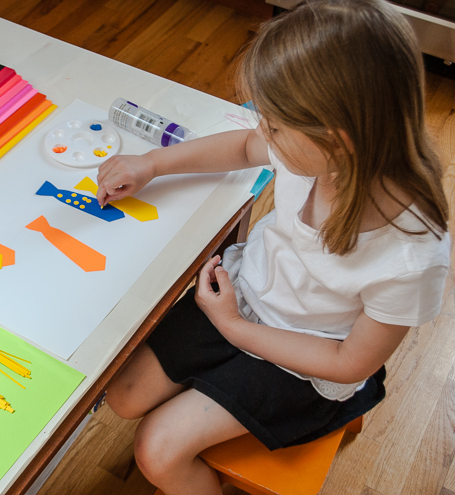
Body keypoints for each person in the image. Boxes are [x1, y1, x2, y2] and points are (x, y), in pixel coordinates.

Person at [97, 1, 451, 493]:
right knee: (123, 395)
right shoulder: (313, 153)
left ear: (338, 138)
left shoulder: (412, 254)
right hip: (245, 300)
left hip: (308, 360)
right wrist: (153, 164)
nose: (262, 131)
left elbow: (350, 362)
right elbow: (243, 147)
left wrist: (233, 327)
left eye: (276, 126)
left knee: (157, 449)